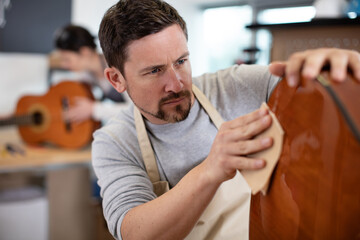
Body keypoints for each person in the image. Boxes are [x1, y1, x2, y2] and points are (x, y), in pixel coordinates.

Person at [92, 0, 360, 239]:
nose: (176, 83)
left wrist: (340, 75)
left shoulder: (236, 86)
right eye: (154, 71)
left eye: (181, 61)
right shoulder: (115, 142)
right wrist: (211, 170)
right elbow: (134, 233)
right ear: (116, 79)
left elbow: (316, 98)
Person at [53, 24, 129, 123]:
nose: (64, 65)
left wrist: (93, 109)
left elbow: (135, 110)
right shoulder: (86, 74)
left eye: (67, 59)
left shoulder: (118, 67)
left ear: (85, 52)